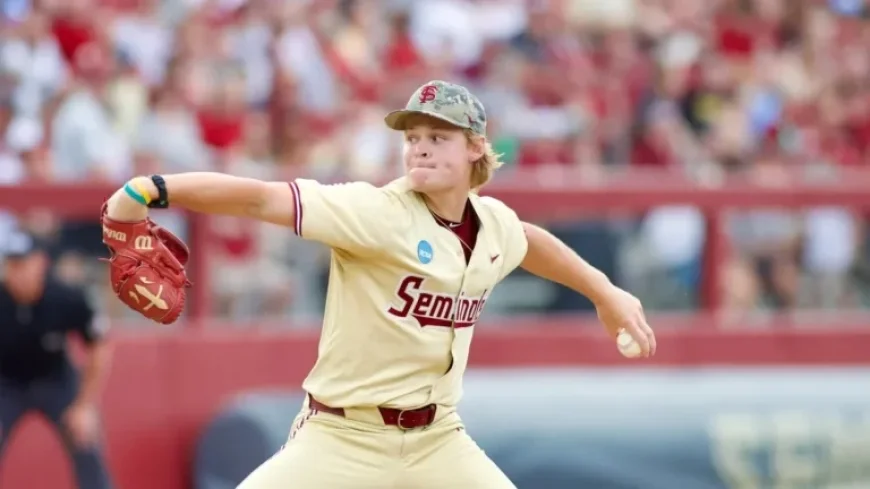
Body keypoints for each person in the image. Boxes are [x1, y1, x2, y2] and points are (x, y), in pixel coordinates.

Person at [103, 80, 656, 488]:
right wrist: (148, 189)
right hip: (344, 436)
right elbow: (260, 198)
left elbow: (529, 241)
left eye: (438, 136)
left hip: (437, 439)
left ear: (475, 148)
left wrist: (604, 292)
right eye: (413, 137)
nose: (420, 147)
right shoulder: (375, 212)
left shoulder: (492, 224)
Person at [0, 231, 114, 489]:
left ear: (40, 263)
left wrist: (85, 405)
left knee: (84, 435)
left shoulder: (65, 297)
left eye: (23, 264)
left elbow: (98, 347)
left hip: (56, 381)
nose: (17, 273)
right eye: (12, 264)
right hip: (6, 383)